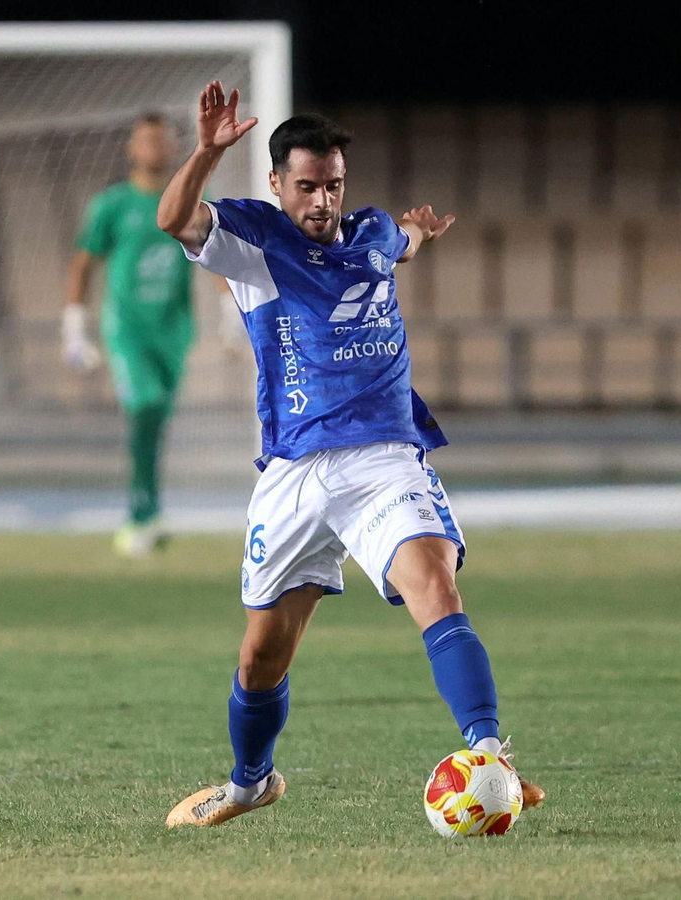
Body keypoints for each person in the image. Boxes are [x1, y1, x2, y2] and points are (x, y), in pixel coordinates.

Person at [156, 81, 543, 828]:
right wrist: (206, 150)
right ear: (276, 184)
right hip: (295, 472)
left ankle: (491, 755)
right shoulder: (255, 243)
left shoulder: (368, 233)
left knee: (435, 585)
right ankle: (249, 783)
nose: (322, 202)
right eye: (307, 187)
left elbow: (399, 242)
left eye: (333, 185)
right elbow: (173, 218)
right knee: (262, 656)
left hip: (385, 459)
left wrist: (419, 234)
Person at [62, 113, 230, 557]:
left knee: (156, 419)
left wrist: (234, 318)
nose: (154, 148)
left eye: (161, 140)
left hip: (174, 331)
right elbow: (84, 262)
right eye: (146, 141)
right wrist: (75, 329)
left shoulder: (193, 200)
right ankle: (138, 518)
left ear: (174, 148)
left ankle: (150, 513)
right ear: (131, 148)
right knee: (145, 407)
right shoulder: (112, 205)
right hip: (127, 330)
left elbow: (217, 258)